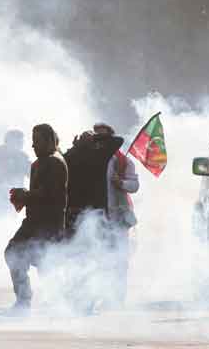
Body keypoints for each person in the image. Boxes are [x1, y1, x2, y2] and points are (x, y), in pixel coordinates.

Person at [6, 124, 67, 311]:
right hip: (33, 221)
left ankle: (56, 302)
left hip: (48, 223)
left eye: (37, 141)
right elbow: (38, 193)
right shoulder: (39, 163)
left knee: (46, 263)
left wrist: (26, 195)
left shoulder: (55, 162)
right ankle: (24, 298)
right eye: (33, 141)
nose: (33, 146)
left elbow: (51, 193)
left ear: (49, 141)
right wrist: (23, 198)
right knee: (14, 252)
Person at [93, 123, 139, 308]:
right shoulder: (92, 159)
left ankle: (117, 298)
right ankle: (103, 295)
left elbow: (134, 186)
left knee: (119, 259)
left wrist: (121, 183)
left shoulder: (123, 162)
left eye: (104, 138)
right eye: (97, 138)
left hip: (118, 218)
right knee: (100, 258)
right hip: (97, 217)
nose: (100, 142)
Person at [0, 130, 31, 216]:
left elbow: (33, 174)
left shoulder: (22, 158)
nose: (20, 145)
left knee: (10, 223)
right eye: (17, 142)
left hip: (13, 200)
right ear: (8, 141)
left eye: (21, 143)